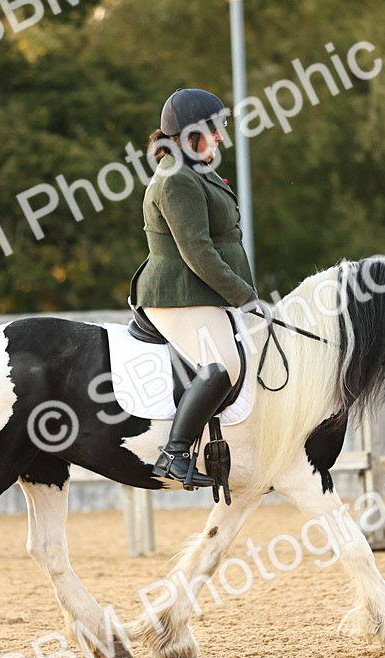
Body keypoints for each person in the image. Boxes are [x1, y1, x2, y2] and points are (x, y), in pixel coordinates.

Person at [128, 88, 259, 489]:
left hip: (199, 292)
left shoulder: (194, 171)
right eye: (214, 129)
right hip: (176, 292)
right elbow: (197, 252)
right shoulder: (175, 179)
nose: (220, 136)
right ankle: (175, 453)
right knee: (223, 365)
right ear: (189, 134)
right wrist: (243, 295)